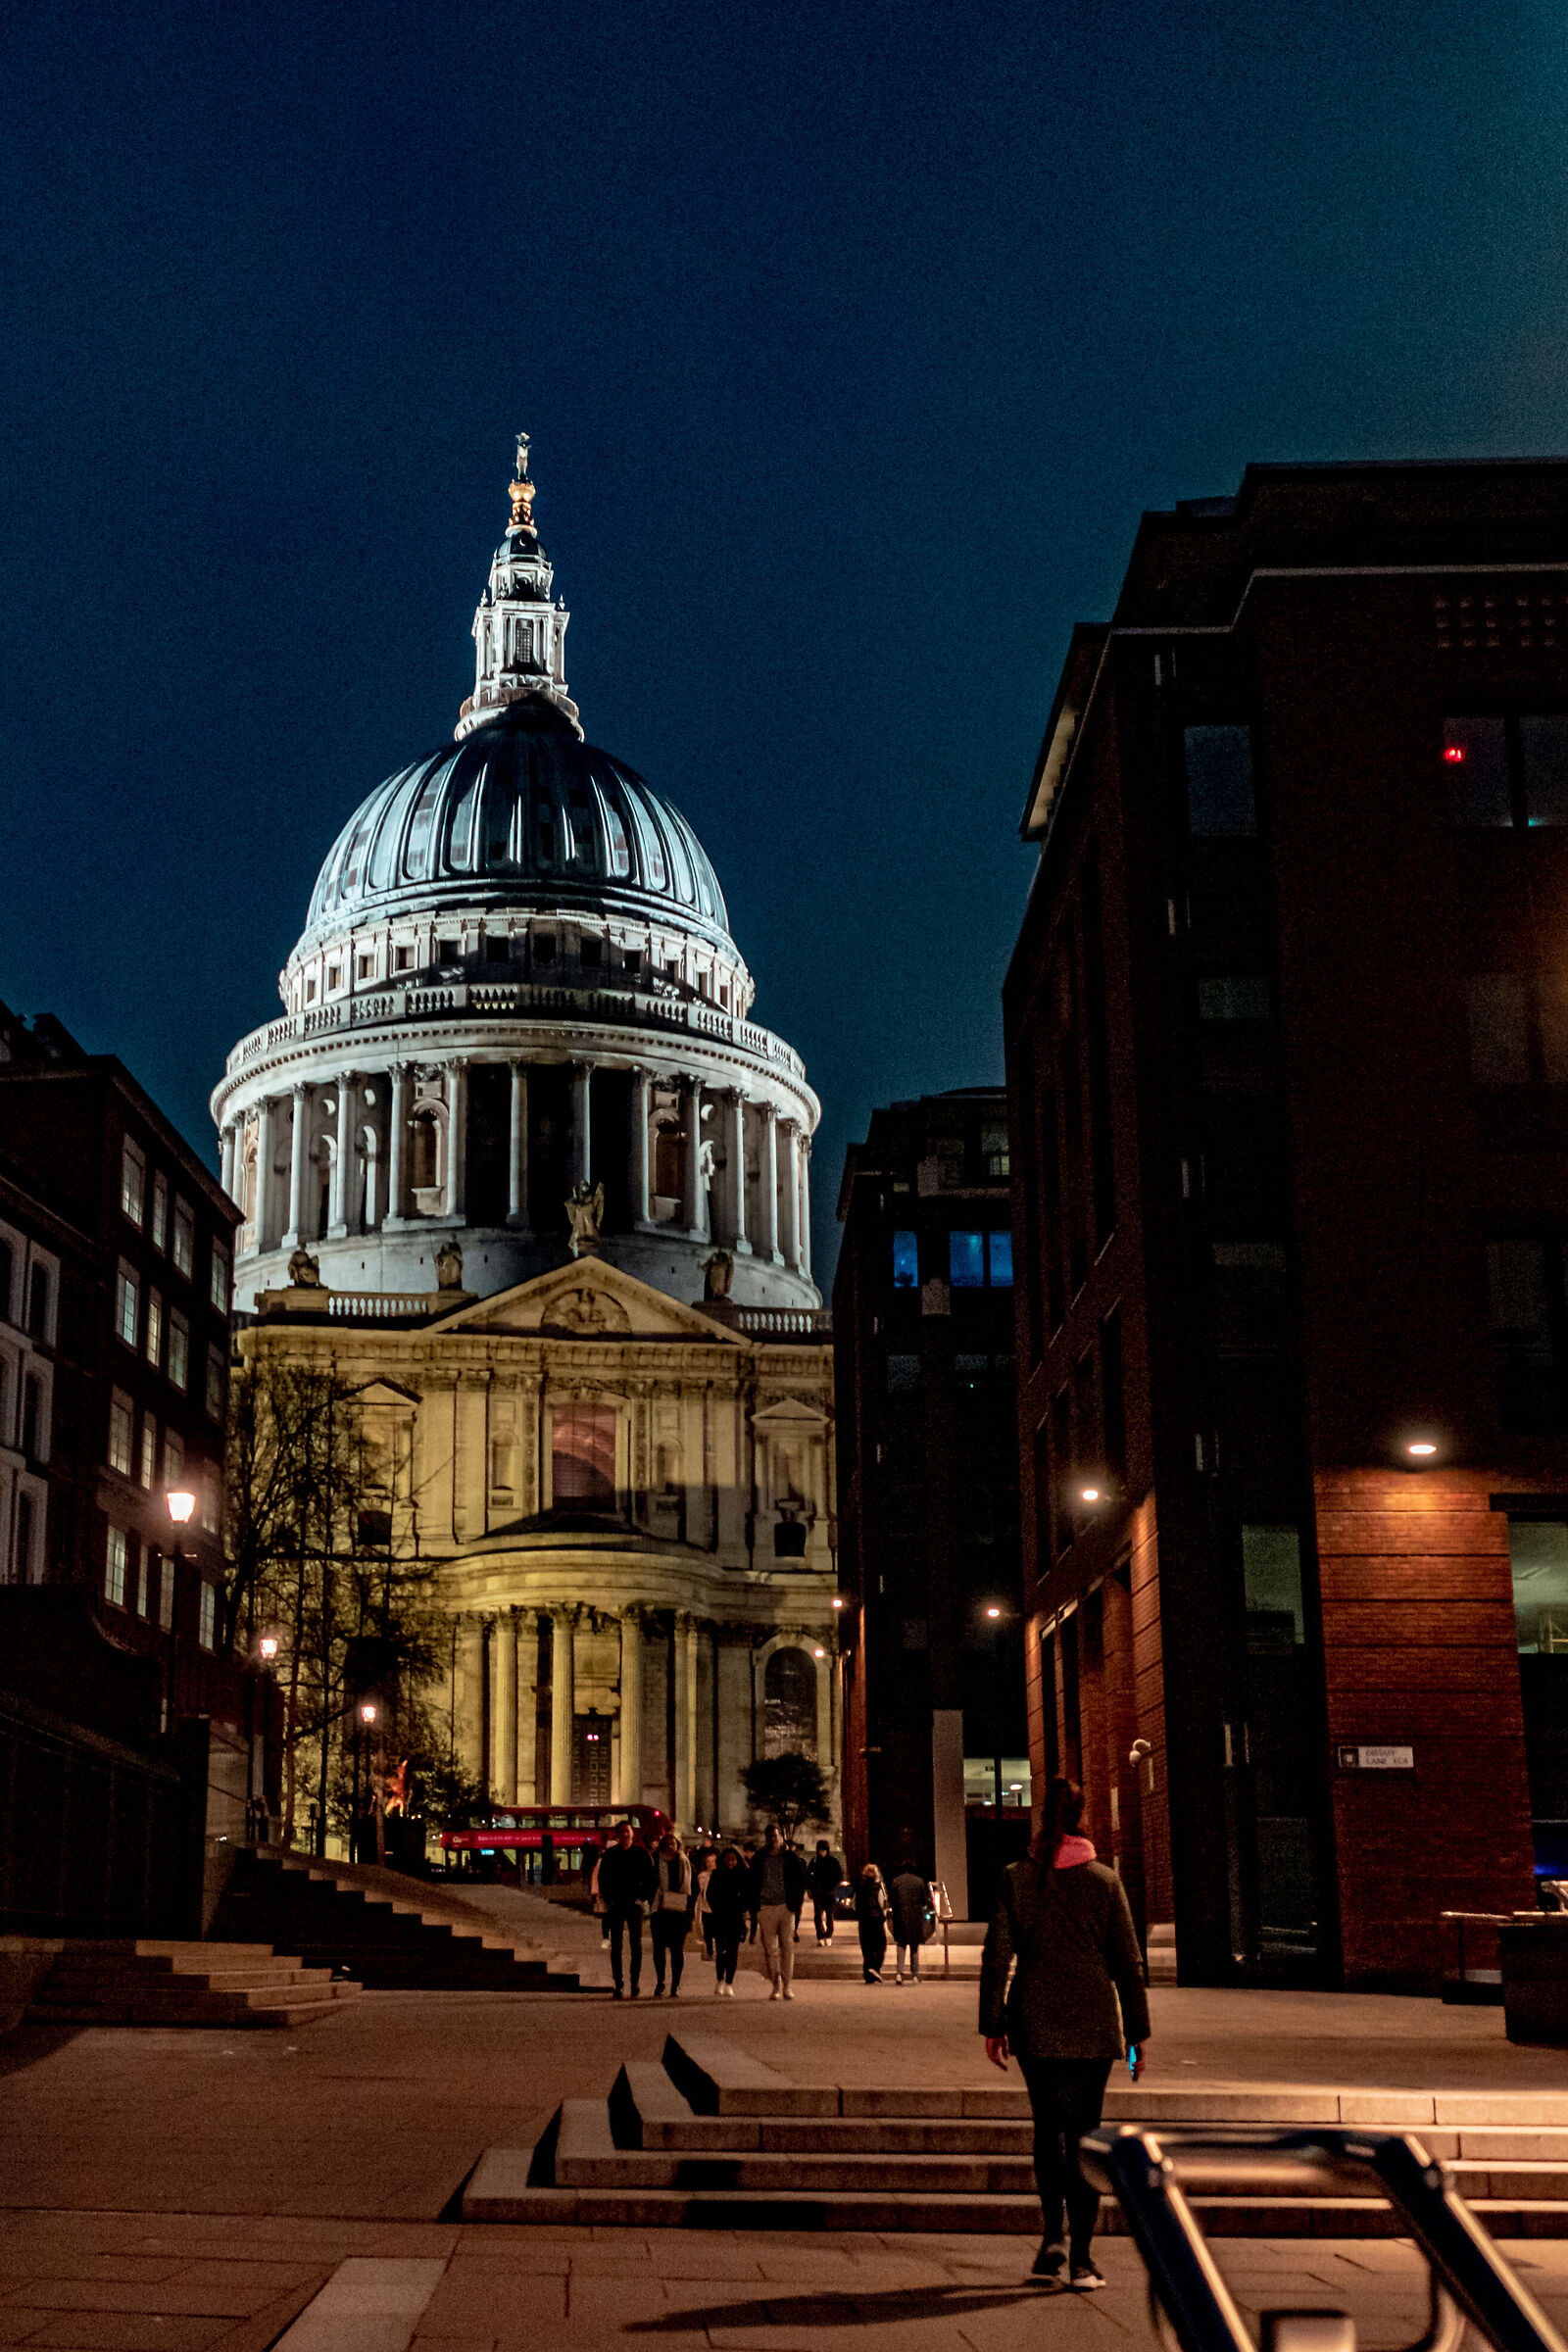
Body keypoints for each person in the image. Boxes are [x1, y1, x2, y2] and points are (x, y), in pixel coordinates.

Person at [980, 1775, 1150, 2293]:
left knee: (1047, 2130)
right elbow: (1127, 1961)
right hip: (1095, 2021)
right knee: (1085, 2133)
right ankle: (1082, 2258)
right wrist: (1136, 2035)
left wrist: (993, 2023)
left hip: (1035, 2018)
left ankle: (1051, 2239)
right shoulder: (1104, 1880)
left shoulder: (1016, 1877)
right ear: (1082, 1815)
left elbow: (998, 1953)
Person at [596, 1820, 656, 1999]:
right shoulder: (610, 1854)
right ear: (618, 1835)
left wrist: (643, 1899)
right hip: (616, 1904)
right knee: (616, 1947)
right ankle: (618, 1983)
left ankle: (634, 1983)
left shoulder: (641, 1854)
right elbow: (602, 1878)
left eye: (627, 1831)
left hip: (634, 1904)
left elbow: (651, 1879)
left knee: (636, 1946)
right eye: (621, 1832)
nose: (625, 1835)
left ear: (632, 1834)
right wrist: (608, 1899)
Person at [747, 1823, 808, 1999]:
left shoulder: (790, 1858)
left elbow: (799, 1881)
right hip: (765, 1907)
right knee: (770, 1949)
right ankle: (776, 1984)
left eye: (775, 1836)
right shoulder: (759, 1858)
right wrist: (754, 1907)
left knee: (787, 1947)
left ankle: (787, 1985)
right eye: (770, 1836)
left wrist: (795, 1905)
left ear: (780, 1837)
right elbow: (751, 1883)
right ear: (766, 1838)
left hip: (785, 1907)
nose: (773, 1839)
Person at [650, 1832, 693, 1996]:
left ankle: (675, 1984)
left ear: (677, 1845)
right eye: (666, 1844)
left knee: (677, 1950)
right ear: (662, 1846)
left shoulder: (685, 1863)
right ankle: (660, 1981)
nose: (670, 1846)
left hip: (679, 1913)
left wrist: (688, 1910)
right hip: (660, 1911)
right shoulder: (655, 1861)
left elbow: (692, 1887)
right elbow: (649, 1882)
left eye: (673, 1844)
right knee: (658, 1949)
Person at [707, 1844, 751, 1995]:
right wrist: (716, 1908)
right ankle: (719, 1979)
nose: (731, 1862)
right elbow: (710, 1894)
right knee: (721, 1951)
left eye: (733, 1859)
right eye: (728, 1859)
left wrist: (743, 1908)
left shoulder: (743, 1875)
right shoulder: (717, 1874)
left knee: (733, 1952)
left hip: (736, 1918)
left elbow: (747, 1895)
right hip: (720, 1917)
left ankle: (729, 1982)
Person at [889, 1858, 932, 1983]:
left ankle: (899, 1973)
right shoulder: (919, 1881)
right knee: (914, 1945)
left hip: (900, 1916)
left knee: (901, 1944)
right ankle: (915, 1974)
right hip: (915, 1916)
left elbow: (892, 1900)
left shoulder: (896, 1881)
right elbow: (924, 1900)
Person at [855, 1862, 889, 1983]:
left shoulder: (860, 1888)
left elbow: (856, 1905)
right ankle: (875, 1967)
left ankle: (868, 1972)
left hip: (864, 1921)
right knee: (880, 1946)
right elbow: (882, 1903)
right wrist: (884, 1916)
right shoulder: (879, 1887)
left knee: (866, 1947)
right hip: (876, 1920)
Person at [806, 1840, 843, 1944]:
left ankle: (828, 1935)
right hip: (818, 1892)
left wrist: (836, 1889)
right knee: (818, 1915)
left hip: (830, 1893)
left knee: (829, 1915)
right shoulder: (814, 1861)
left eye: (823, 1850)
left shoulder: (833, 1862)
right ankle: (820, 1936)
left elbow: (839, 1876)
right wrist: (809, 1889)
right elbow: (809, 1876)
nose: (822, 1852)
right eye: (820, 1850)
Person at [693, 1845, 718, 1960]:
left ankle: (719, 1951)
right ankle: (709, 1951)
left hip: (718, 1908)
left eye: (713, 1861)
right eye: (708, 1861)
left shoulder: (720, 1875)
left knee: (718, 1932)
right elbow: (699, 1892)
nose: (710, 1863)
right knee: (707, 1931)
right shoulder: (702, 1876)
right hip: (705, 1906)